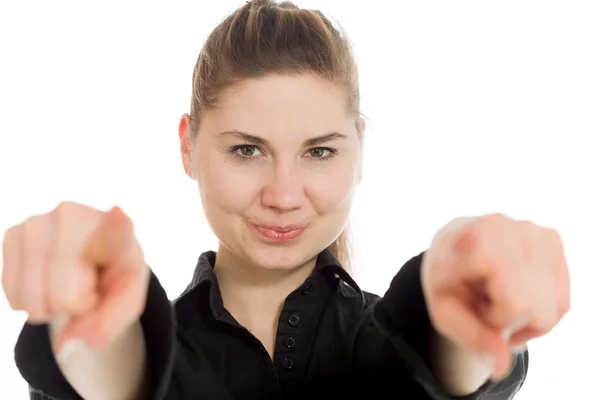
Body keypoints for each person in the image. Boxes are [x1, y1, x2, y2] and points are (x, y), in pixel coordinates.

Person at [3, 1, 570, 399]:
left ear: (359, 151)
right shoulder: (148, 351)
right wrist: (86, 313)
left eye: (319, 152)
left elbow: (438, 366)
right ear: (188, 147)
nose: (282, 195)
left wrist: (467, 295)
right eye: (247, 150)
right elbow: (119, 378)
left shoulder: (388, 343)